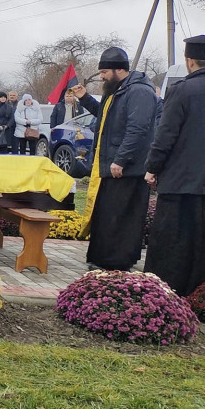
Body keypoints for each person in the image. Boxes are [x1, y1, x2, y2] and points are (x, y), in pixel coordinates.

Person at [71, 46, 156, 271]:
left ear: (119, 70)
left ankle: (118, 261)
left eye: (104, 72)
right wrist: (85, 98)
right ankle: (102, 258)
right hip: (111, 168)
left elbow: (137, 129)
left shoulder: (139, 92)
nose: (101, 77)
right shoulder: (117, 90)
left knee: (122, 217)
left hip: (128, 170)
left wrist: (121, 159)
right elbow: (106, 116)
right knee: (107, 214)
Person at [143, 35, 205, 296]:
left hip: (180, 182)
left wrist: (152, 167)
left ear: (189, 61)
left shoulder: (182, 90)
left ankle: (166, 295)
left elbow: (165, 135)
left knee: (172, 243)